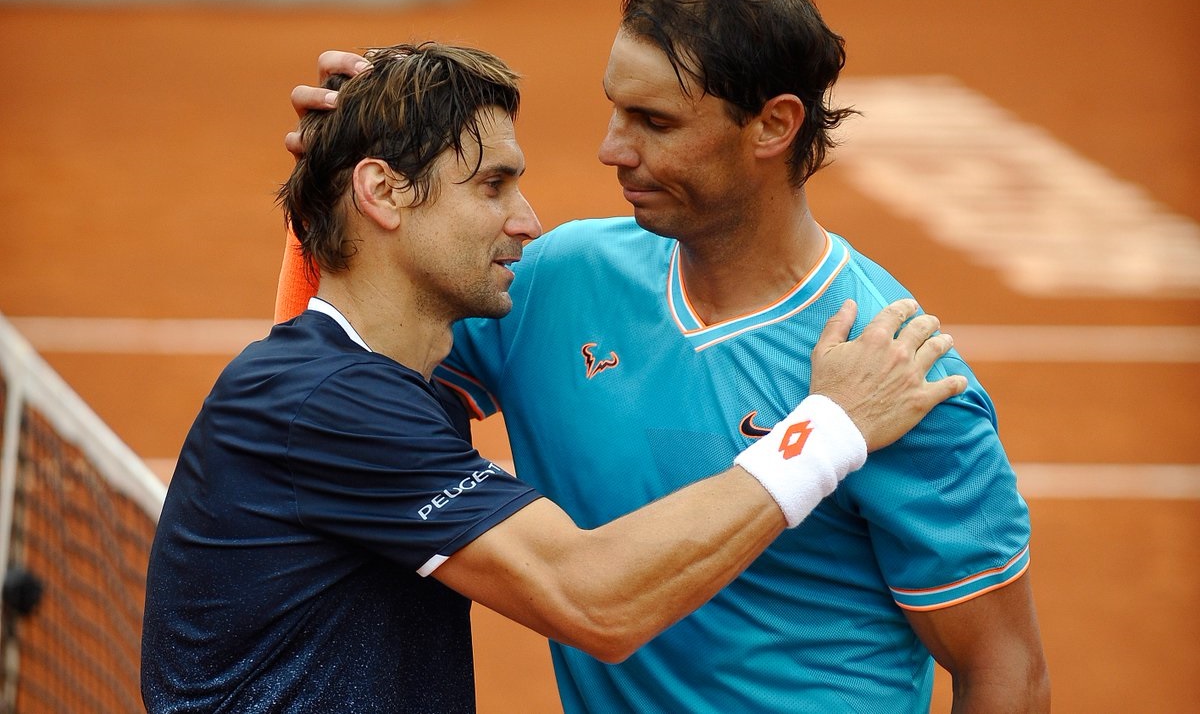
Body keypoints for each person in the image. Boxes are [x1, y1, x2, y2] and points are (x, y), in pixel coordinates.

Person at [276, 0, 1051, 714]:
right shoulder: (555, 281)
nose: (613, 148)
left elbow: (1005, 671)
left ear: (773, 126)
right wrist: (341, 188)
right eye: (616, 108)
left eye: (654, 121)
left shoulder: (893, 376)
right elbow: (327, 393)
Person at [142, 42, 964, 714]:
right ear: (386, 191)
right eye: (494, 184)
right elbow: (593, 601)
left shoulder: (377, 382)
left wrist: (330, 189)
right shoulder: (328, 403)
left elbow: (327, 316)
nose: (529, 221)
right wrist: (828, 428)